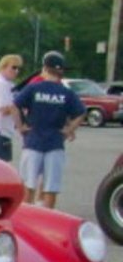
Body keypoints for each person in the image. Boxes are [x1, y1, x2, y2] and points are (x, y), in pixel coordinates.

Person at [10, 50, 85, 209]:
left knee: (28, 185)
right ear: (60, 72)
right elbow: (81, 112)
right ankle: (48, 216)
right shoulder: (66, 93)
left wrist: (20, 126)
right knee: (51, 187)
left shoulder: (33, 88)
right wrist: (69, 129)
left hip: (33, 141)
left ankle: (26, 216)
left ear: (45, 68)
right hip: (55, 143)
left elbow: (14, 106)